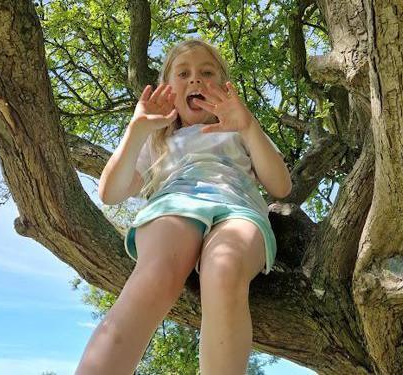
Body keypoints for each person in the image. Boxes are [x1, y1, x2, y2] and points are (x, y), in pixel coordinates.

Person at [76, 38, 292, 375]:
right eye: (184, 73)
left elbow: (281, 186)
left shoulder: (240, 130)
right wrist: (136, 130)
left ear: (224, 87)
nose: (195, 79)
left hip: (236, 210)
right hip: (175, 206)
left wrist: (249, 126)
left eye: (207, 72)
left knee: (224, 269)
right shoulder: (159, 139)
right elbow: (110, 192)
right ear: (168, 91)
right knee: (157, 274)